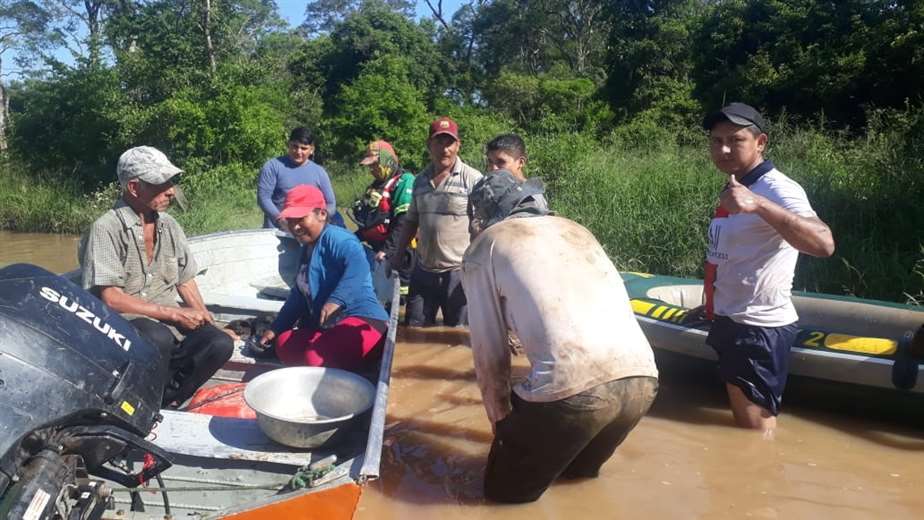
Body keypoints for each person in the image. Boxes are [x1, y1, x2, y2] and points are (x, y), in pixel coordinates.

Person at [461, 170, 659, 503]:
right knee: (578, 486)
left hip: (572, 390)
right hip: (643, 380)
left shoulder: (486, 246)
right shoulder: (576, 229)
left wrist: (502, 425)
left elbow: (489, 352)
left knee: (501, 499)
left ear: (483, 214)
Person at [701, 102, 835, 431]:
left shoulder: (776, 189)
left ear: (761, 142)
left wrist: (759, 205)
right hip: (731, 320)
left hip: (758, 328)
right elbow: (735, 258)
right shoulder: (738, 185)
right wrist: (710, 304)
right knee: (742, 433)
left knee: (756, 437)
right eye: (717, 141)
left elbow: (823, 243)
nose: (724, 149)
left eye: (735, 140)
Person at [80, 146, 233, 408]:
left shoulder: (170, 226)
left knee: (218, 342)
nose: (171, 190)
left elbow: (184, 280)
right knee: (157, 337)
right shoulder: (106, 228)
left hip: (164, 322)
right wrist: (173, 314)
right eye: (161, 184)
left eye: (171, 182)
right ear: (134, 188)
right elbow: (111, 298)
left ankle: (165, 399)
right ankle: (140, 400)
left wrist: (204, 318)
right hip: (120, 324)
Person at [257, 185, 389, 370]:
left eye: (301, 218)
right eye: (290, 220)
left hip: (364, 323)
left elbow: (359, 267)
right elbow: (298, 298)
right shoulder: (306, 249)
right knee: (284, 344)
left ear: (322, 214)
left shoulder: (339, 239)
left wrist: (336, 299)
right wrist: (276, 328)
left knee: (314, 357)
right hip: (330, 328)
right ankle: (333, 355)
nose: (295, 226)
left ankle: (336, 358)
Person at [388, 116, 483, 327]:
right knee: (413, 329)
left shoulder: (473, 179)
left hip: (458, 273)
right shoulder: (420, 180)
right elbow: (411, 221)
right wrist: (396, 256)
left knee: (461, 334)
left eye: (449, 142)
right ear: (429, 145)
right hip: (423, 271)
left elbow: (481, 227)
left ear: (458, 145)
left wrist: (481, 268)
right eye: (439, 141)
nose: (444, 149)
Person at [257, 127, 342, 230]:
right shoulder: (272, 166)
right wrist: (281, 220)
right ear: (288, 145)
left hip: (311, 233)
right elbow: (263, 198)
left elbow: (331, 203)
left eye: (304, 148)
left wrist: (319, 220)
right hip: (278, 231)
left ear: (312, 150)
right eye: (295, 146)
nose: (298, 151)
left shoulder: (319, 172)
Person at [483, 133, 549, 214]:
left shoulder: (531, 197)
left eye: (501, 162)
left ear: (520, 162)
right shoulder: (489, 191)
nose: (493, 168)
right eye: (490, 162)